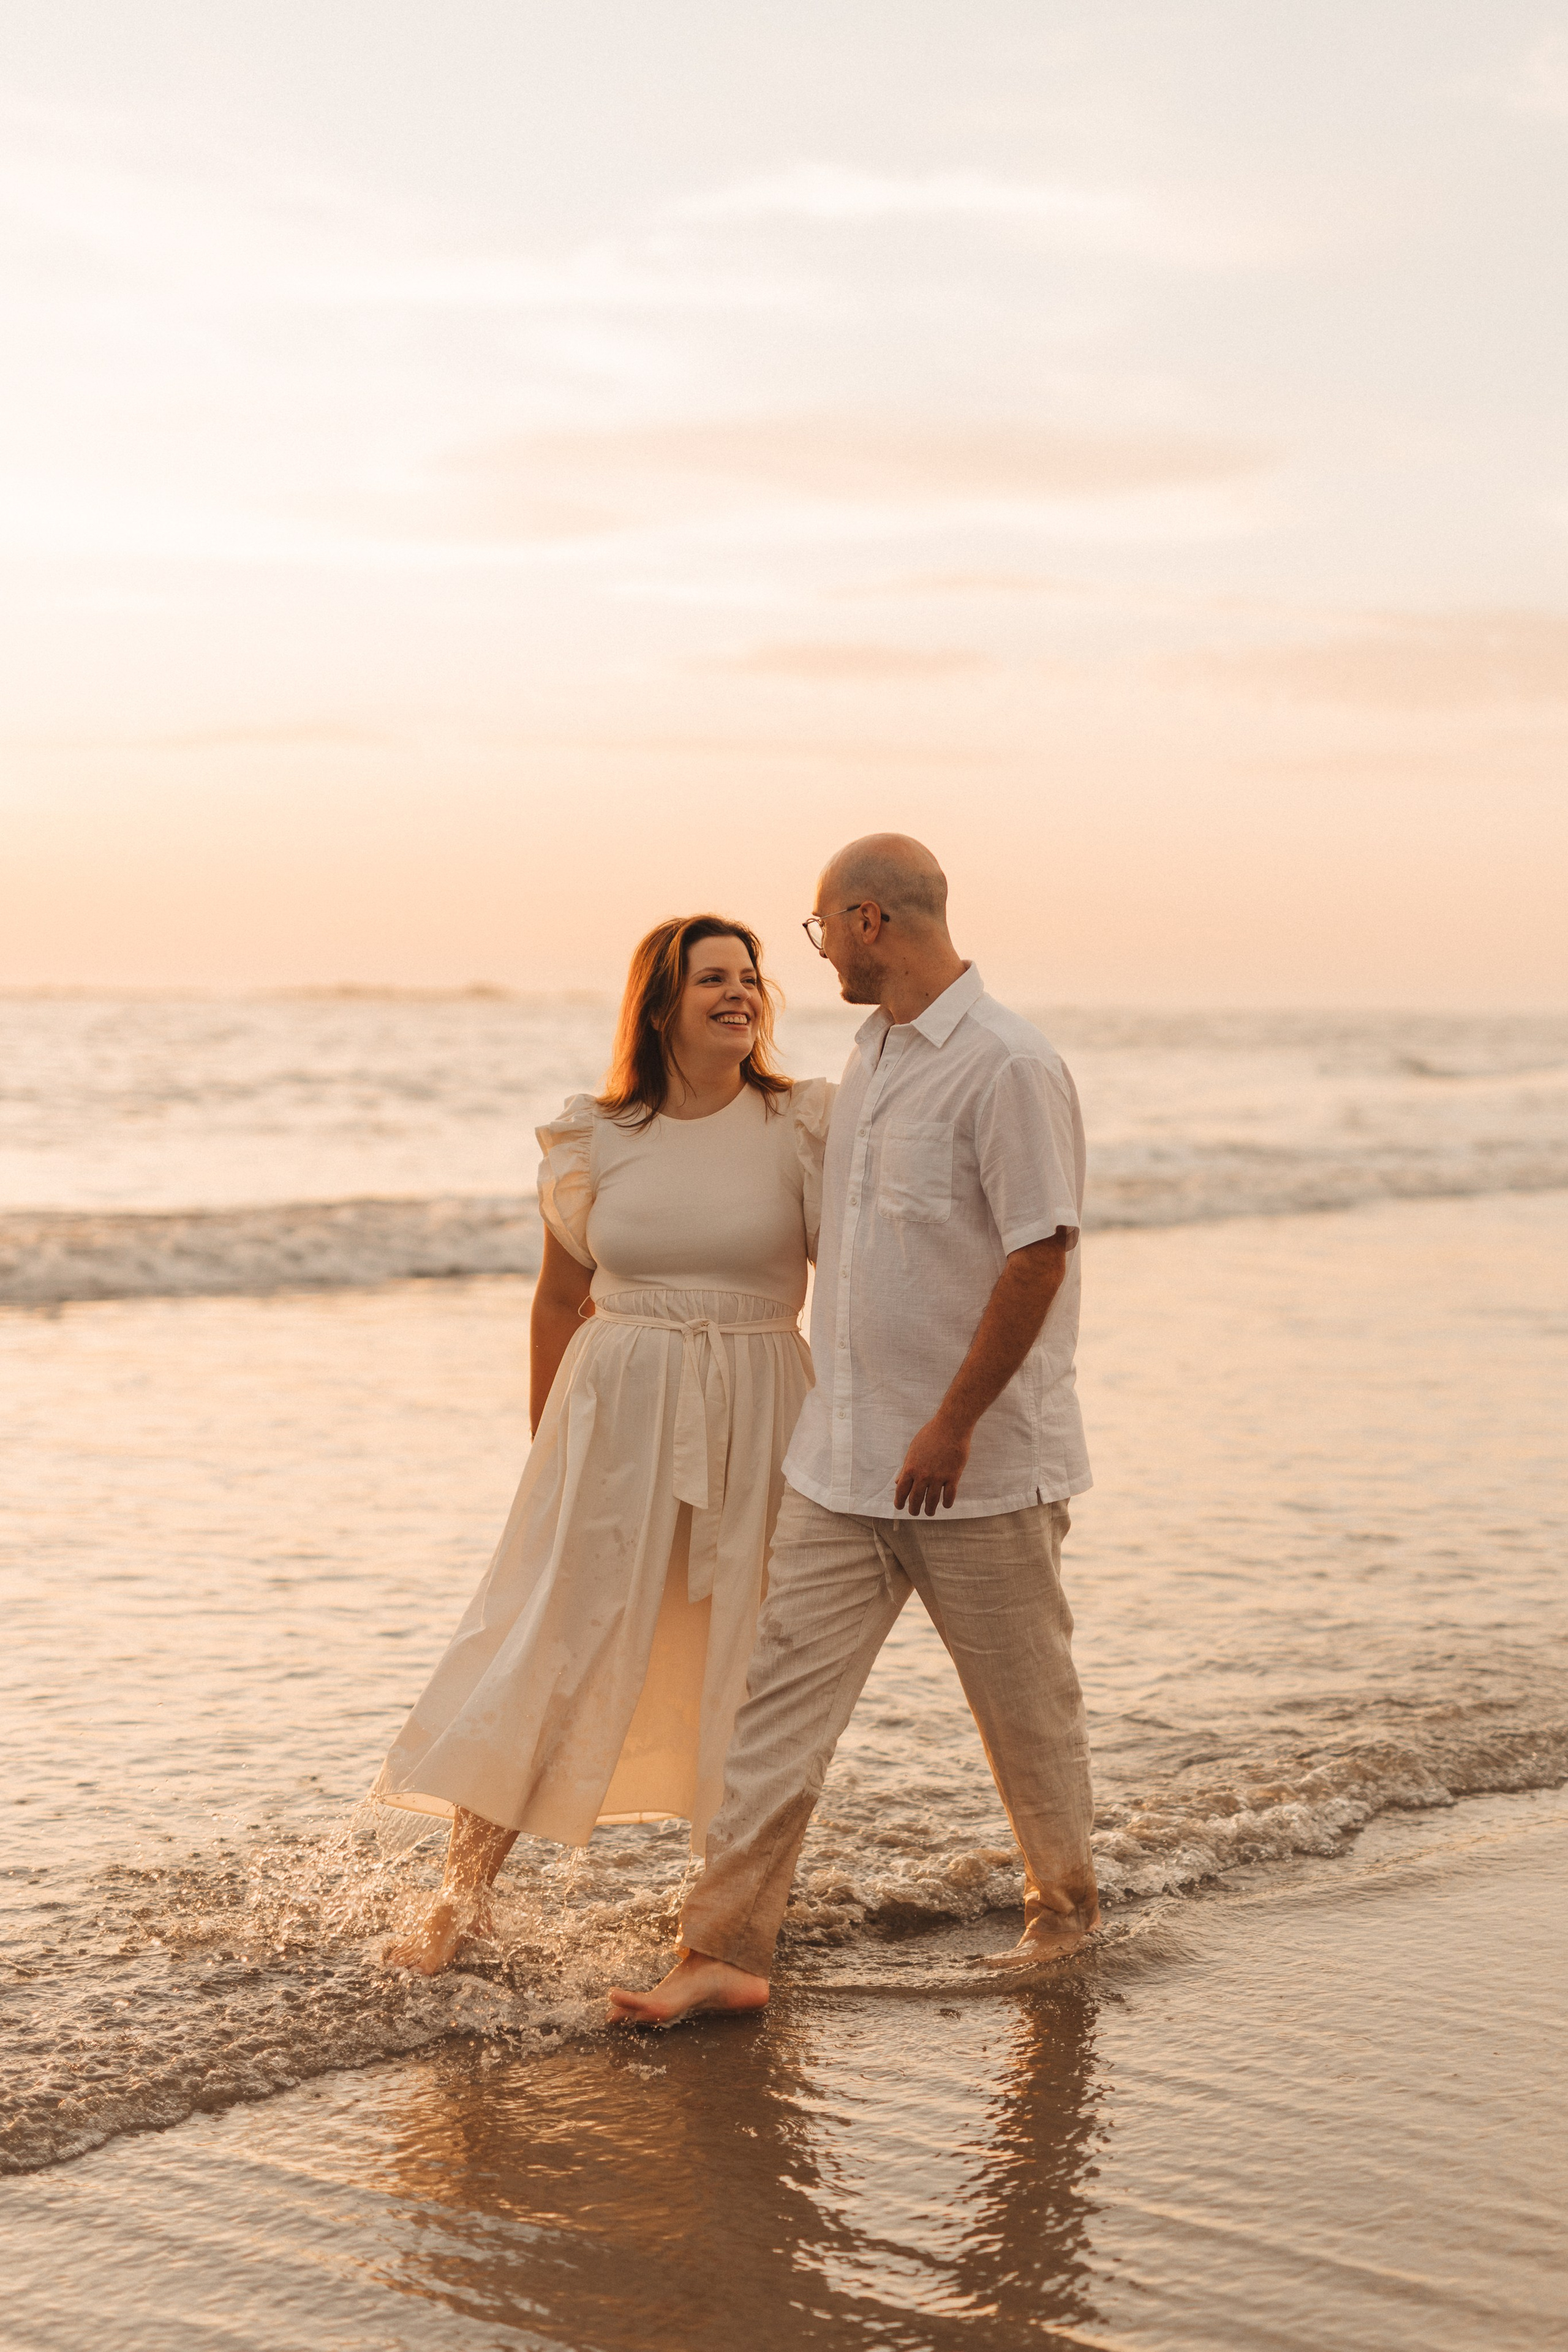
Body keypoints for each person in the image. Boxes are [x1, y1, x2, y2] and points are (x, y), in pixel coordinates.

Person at [608, 834, 1099, 2025]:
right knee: (777, 1709)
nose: (817, 949)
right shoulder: (870, 1054)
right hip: (838, 1464)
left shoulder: (1008, 1065)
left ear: (870, 920)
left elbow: (1039, 1253)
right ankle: (722, 1949)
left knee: (1025, 1720)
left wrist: (952, 1425)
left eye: (823, 926)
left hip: (976, 1471)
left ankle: (1065, 1924)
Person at [376, 915, 832, 1974]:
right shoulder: (598, 1136)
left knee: (756, 1654)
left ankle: (729, 1916)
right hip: (615, 1414)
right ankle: (459, 1898)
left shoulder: (802, 1125)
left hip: (763, 1403)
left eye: (750, 976)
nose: (740, 992)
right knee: (554, 1636)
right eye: (712, 978)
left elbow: (860, 1273)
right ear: (661, 1004)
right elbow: (557, 1299)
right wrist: (550, 1439)